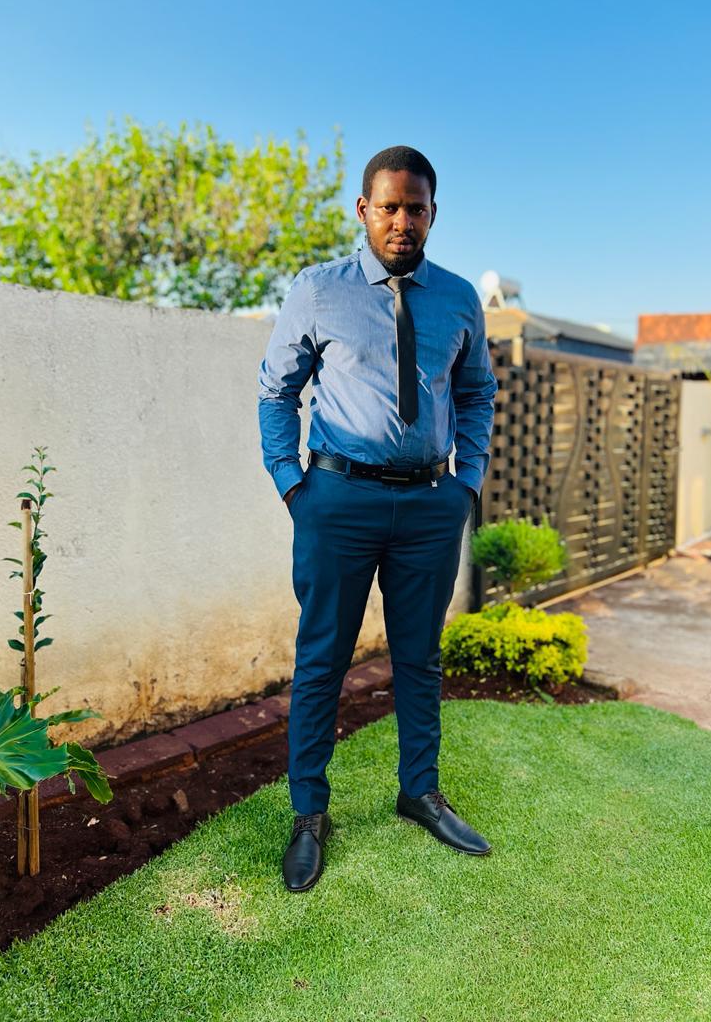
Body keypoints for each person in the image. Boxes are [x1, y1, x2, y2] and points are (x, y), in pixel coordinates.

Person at [257, 145, 499, 893]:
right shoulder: (317, 290)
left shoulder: (458, 297)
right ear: (363, 210)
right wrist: (294, 487)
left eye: (415, 209)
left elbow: (477, 394)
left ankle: (419, 792)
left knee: (420, 657)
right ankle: (309, 814)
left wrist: (465, 486)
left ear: (432, 213)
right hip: (337, 501)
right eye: (389, 207)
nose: (402, 221)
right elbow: (276, 392)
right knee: (322, 658)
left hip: (430, 505)